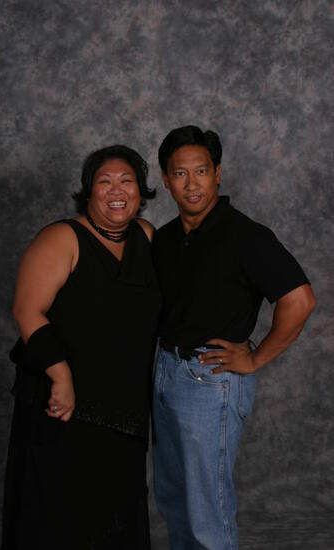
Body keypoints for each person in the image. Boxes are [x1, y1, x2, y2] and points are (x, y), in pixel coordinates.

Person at [152, 125, 316, 550]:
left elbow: (299, 300)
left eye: (202, 171)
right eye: (181, 173)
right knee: (173, 500)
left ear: (218, 174)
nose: (192, 183)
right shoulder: (167, 239)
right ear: (167, 179)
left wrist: (256, 357)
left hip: (211, 380)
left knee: (208, 511)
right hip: (165, 373)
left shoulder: (245, 236)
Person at [1, 145, 162, 550]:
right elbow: (26, 311)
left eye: (126, 181)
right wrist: (61, 376)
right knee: (62, 512)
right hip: (65, 401)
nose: (116, 190)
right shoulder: (62, 238)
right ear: (88, 192)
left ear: (140, 192)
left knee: (116, 511)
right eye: (104, 182)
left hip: (124, 407)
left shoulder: (146, 237)